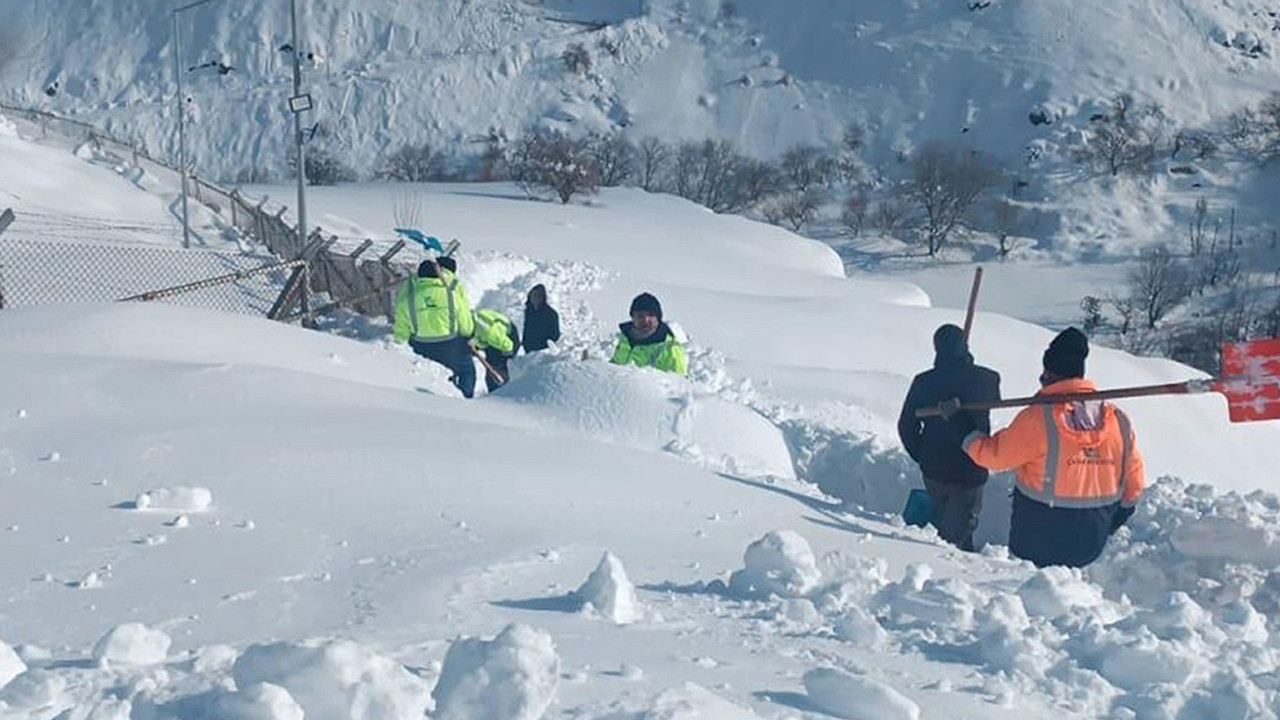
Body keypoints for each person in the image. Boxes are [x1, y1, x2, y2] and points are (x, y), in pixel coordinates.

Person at [948, 327, 1146, 568]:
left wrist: (961, 426)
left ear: (1049, 374)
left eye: (1043, 376)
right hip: (1092, 538)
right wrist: (1115, 519)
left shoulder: (1039, 419)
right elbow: (1133, 482)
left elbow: (992, 456)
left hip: (1039, 539)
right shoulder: (1118, 420)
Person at [897, 324, 1001, 552]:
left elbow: (906, 425)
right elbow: (994, 395)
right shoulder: (987, 379)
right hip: (970, 470)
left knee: (946, 522)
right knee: (957, 539)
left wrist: (923, 455)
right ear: (965, 346)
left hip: (934, 470)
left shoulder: (924, 382)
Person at [393, 258, 477, 398]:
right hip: (450, 343)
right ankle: (464, 399)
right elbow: (465, 321)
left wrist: (399, 342)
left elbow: (401, 327)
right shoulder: (451, 295)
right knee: (467, 371)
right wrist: (468, 336)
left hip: (420, 345)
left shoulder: (409, 299)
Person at [609, 292, 687, 375]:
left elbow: (677, 385)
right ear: (633, 317)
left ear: (658, 318)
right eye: (640, 316)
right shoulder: (625, 341)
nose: (646, 320)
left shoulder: (670, 350)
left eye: (651, 315)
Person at [472, 307, 520, 392]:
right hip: (492, 339)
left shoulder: (490, 333)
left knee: (497, 368)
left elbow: (508, 346)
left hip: (508, 338)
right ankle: (493, 391)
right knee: (491, 369)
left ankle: (505, 392)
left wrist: (506, 364)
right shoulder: (467, 324)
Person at [522, 284, 561, 353]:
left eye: (537, 296)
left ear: (542, 297)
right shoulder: (529, 313)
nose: (535, 298)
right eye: (533, 295)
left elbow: (555, 335)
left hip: (544, 352)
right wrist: (525, 344)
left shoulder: (550, 314)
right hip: (529, 351)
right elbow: (526, 331)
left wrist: (546, 345)